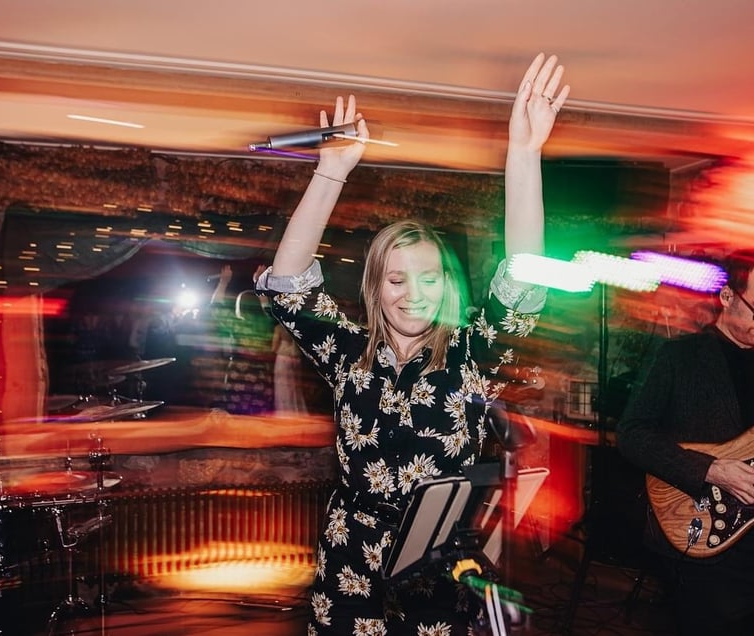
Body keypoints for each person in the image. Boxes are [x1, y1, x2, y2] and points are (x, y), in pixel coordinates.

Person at [254, 53, 568, 635]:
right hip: (349, 569)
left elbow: (523, 276)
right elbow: (290, 286)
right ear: (375, 286)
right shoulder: (348, 354)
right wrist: (332, 172)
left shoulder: (474, 357)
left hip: (437, 577)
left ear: (448, 283)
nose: (412, 296)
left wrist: (524, 153)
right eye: (396, 279)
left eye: (429, 279)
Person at [617, 249, 754, 635]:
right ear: (727, 297)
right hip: (705, 535)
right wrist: (711, 470)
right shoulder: (679, 356)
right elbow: (631, 434)